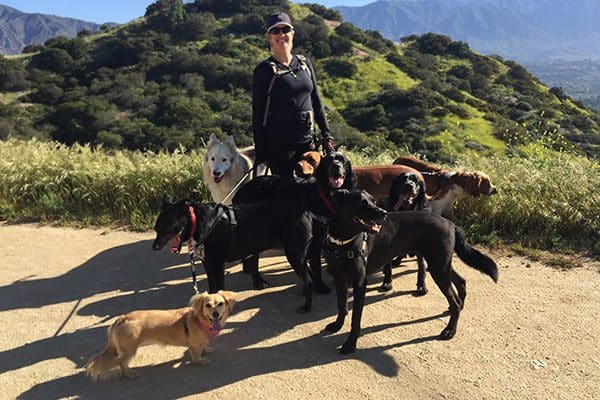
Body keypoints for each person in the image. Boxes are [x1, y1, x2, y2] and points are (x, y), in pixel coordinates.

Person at [252, 11, 334, 177]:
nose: (281, 35)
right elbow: (258, 114)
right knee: (287, 197)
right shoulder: (264, 70)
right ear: (269, 37)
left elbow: (316, 101)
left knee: (313, 192)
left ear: (292, 34)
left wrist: (326, 134)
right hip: (280, 148)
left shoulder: (304, 63)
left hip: (308, 144)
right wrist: (261, 153)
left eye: (285, 30)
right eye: (275, 31)